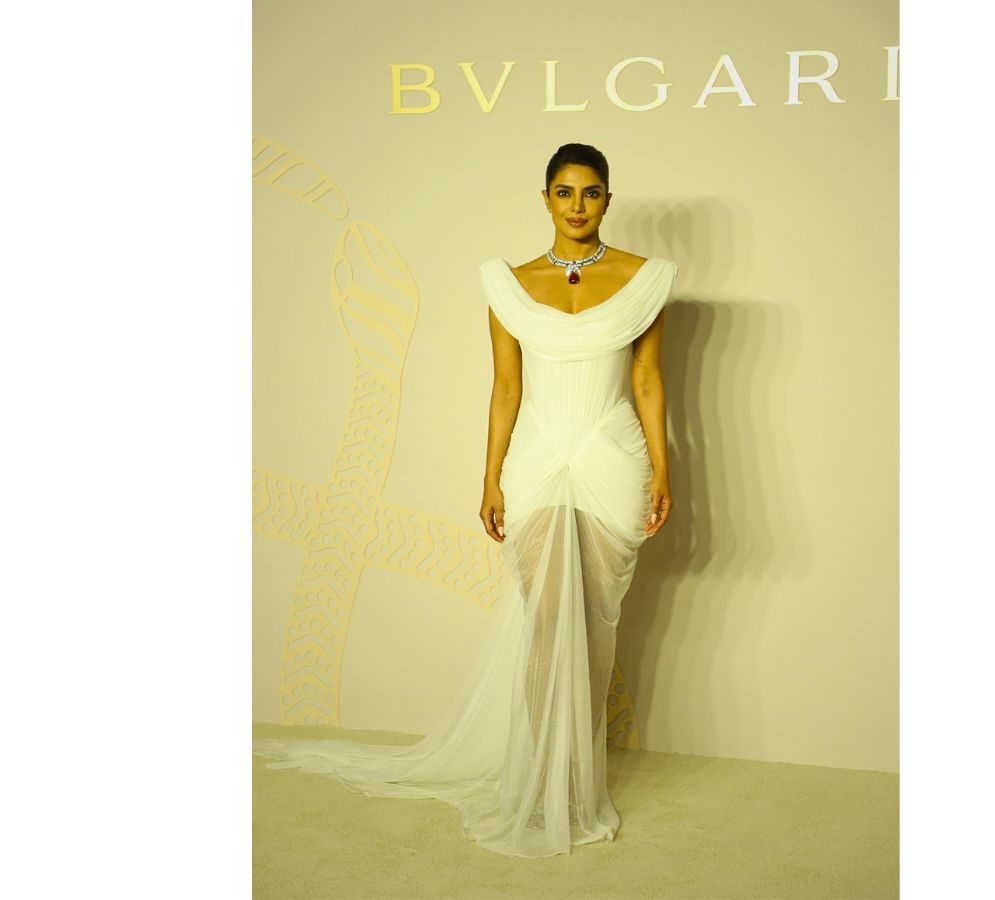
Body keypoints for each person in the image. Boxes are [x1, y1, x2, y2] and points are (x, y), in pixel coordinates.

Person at [254, 143, 679, 859]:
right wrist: (491, 477)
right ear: (545, 198)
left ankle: (576, 785)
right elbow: (506, 386)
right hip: (537, 462)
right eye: (565, 191)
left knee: (594, 622)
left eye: (591, 192)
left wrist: (664, 470)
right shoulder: (509, 285)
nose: (578, 205)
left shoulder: (645, 280)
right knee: (547, 622)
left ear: (609, 199)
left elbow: (647, 381)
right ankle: (542, 787)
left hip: (613, 459)